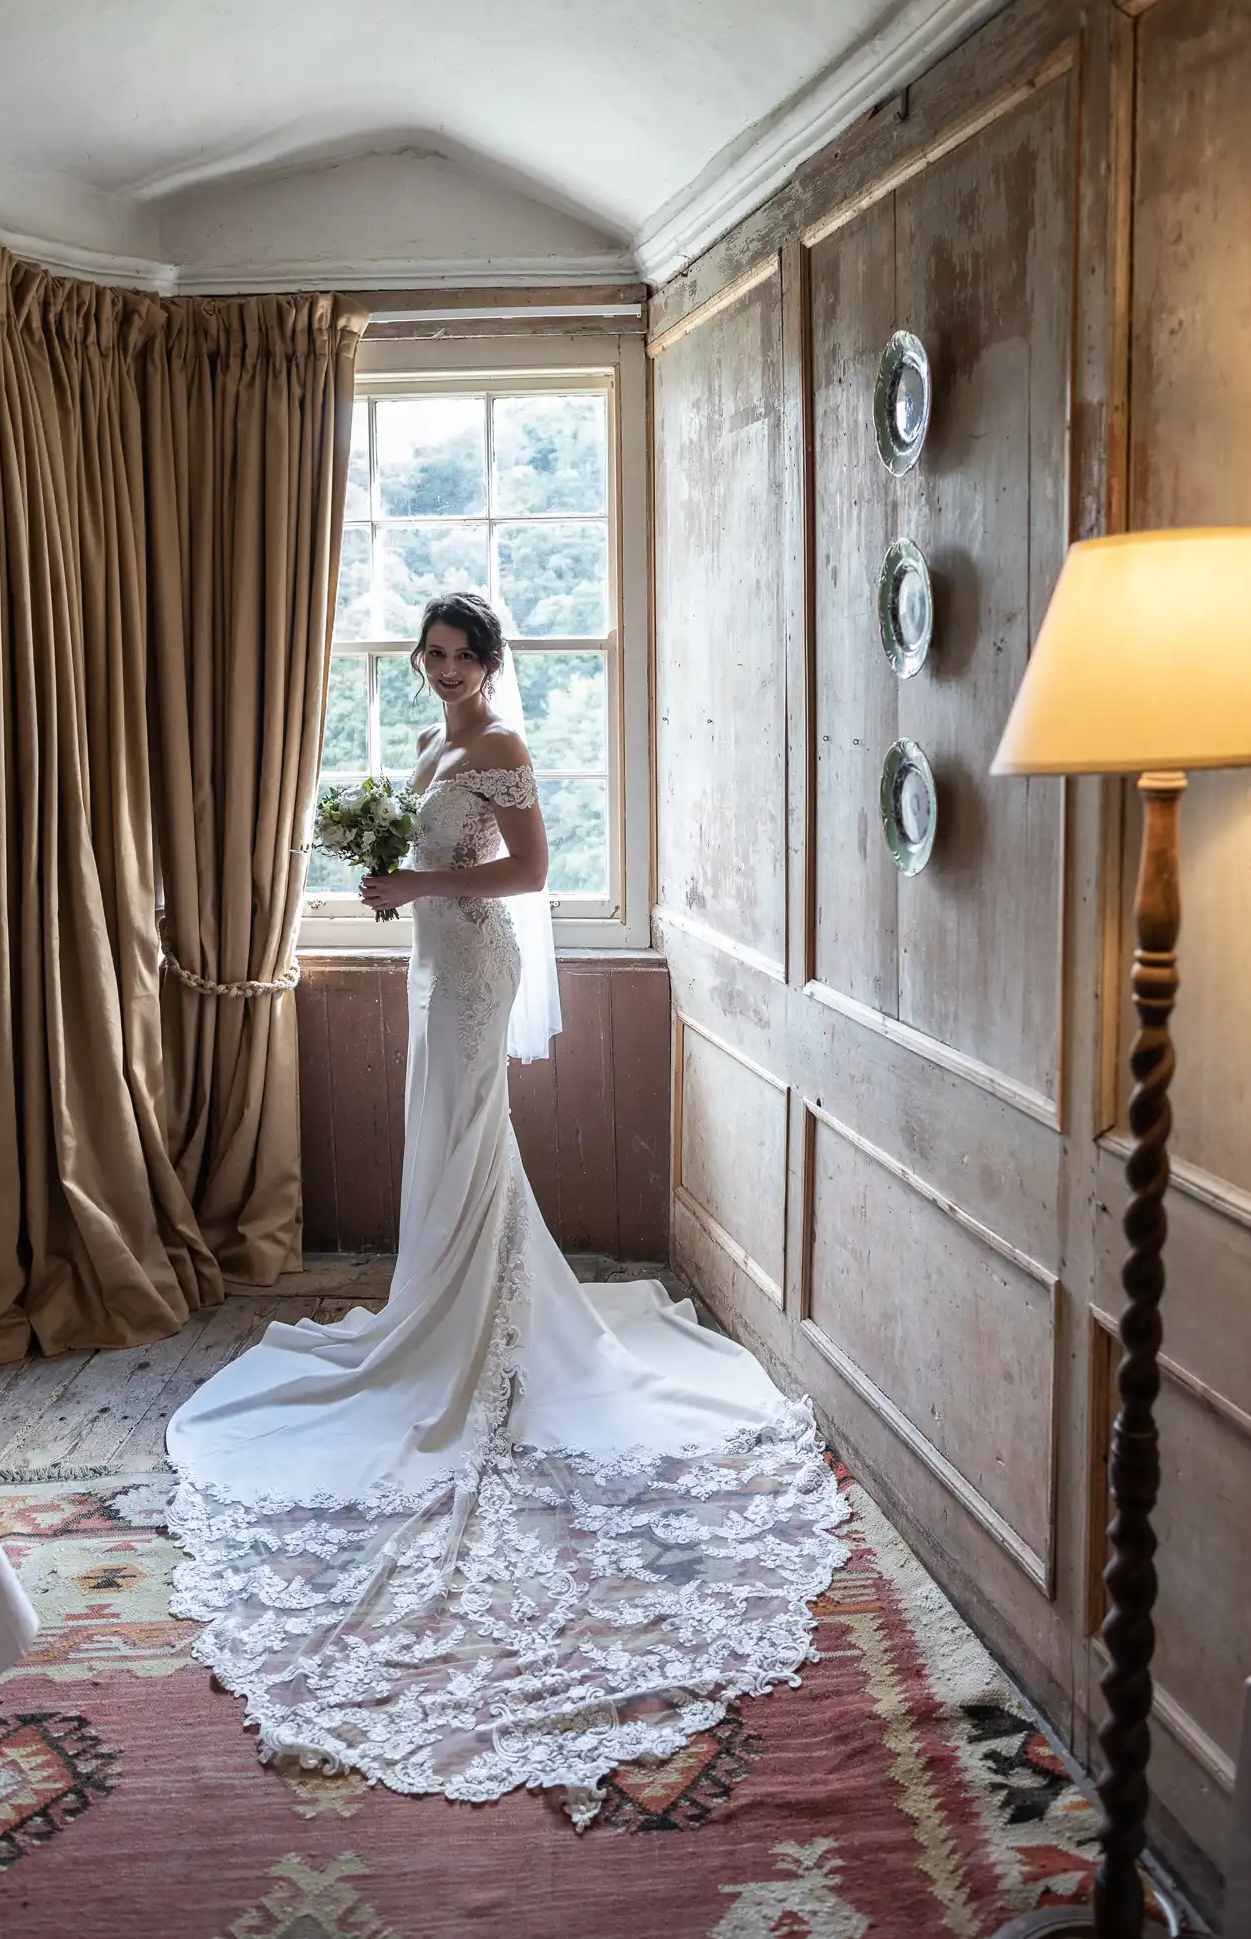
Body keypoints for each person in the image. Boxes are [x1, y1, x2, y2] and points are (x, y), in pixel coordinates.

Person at [165, 591, 848, 1828]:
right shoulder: (437, 745)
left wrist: (416, 880)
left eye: (455, 656)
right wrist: (402, 881)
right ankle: (441, 1302)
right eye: (427, 656)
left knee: (471, 1132)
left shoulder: (506, 749)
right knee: (445, 1139)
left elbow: (529, 871)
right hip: (439, 952)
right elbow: (443, 854)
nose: (437, 673)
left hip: (477, 955)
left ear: (490, 661)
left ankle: (485, 1326)